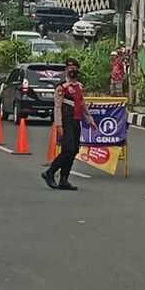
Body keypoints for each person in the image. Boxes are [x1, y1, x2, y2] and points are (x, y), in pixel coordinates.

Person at [43, 57, 96, 191]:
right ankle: (50, 172)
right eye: (70, 68)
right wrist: (59, 125)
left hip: (76, 120)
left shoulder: (79, 86)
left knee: (74, 151)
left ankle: (64, 179)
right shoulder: (62, 88)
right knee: (68, 149)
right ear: (66, 70)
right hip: (66, 120)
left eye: (74, 69)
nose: (72, 71)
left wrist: (90, 120)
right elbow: (57, 107)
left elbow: (82, 104)